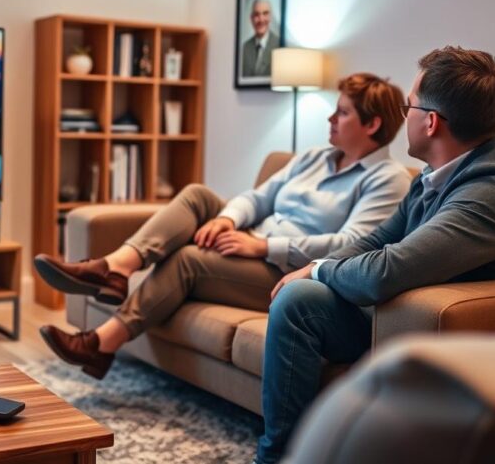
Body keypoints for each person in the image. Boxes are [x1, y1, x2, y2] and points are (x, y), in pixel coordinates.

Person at [253, 47, 495, 463]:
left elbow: (385, 272)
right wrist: (310, 268)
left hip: (454, 334)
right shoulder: (436, 176)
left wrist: (319, 269)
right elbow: (376, 240)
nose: (404, 116)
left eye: (408, 106)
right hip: (399, 317)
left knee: (299, 297)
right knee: (299, 298)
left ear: (430, 122)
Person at [34, 73, 412, 379]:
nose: (331, 119)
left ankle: (101, 344)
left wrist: (262, 247)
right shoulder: (313, 157)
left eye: (342, 113)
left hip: (287, 272)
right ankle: (117, 267)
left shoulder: (388, 178)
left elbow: (351, 245)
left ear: (372, 123)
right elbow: (258, 197)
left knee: (188, 259)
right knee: (198, 195)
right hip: (251, 239)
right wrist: (227, 219)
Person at [241, 0, 280, 80]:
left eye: (265, 13)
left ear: (270, 17)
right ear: (251, 18)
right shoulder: (245, 48)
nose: (261, 20)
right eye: (256, 15)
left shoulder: (280, 45)